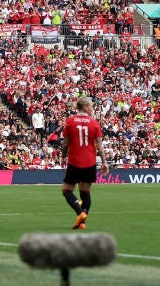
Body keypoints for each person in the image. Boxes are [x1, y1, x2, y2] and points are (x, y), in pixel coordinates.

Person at [60, 95, 109, 231]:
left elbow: (65, 143)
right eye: (91, 106)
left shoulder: (70, 122)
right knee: (85, 193)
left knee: (66, 190)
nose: (92, 109)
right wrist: (104, 162)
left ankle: (79, 212)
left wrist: (63, 157)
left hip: (74, 162)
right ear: (85, 107)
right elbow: (99, 145)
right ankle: (83, 216)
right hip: (89, 163)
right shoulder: (94, 123)